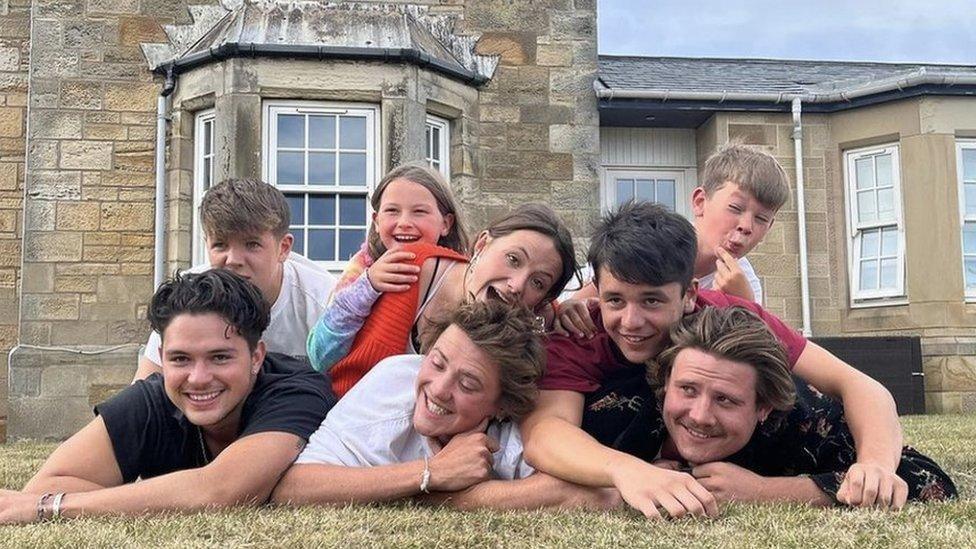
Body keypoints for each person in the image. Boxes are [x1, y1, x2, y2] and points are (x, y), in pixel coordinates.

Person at [519, 201, 906, 519]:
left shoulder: (729, 322)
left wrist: (875, 466)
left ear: (689, 296)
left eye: (652, 300)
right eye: (615, 300)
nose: (631, 322)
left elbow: (858, 384)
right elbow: (545, 433)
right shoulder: (582, 334)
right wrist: (628, 471)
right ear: (596, 291)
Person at [0, 269, 335, 523]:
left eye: (220, 357)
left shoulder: (297, 390)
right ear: (162, 356)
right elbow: (48, 483)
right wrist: (161, 498)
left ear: (257, 357)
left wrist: (54, 507)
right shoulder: (152, 400)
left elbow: (223, 490)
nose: (198, 378)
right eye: (180, 359)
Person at [273, 300, 619, 511]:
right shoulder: (392, 380)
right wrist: (431, 474)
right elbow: (294, 487)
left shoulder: (511, 435)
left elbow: (595, 496)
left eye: (467, 384)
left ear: (500, 406)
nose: (438, 389)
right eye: (437, 363)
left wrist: (448, 498)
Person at [608, 306, 956, 507]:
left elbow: (930, 483)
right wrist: (642, 481)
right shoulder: (626, 408)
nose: (699, 415)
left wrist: (765, 492)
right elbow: (552, 483)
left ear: (764, 408)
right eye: (687, 389)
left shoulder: (805, 419)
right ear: (666, 382)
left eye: (725, 399)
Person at [309, 203, 578, 397]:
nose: (517, 285)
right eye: (513, 259)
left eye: (538, 282)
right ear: (483, 244)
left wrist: (569, 307)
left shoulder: (530, 320)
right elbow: (324, 359)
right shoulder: (411, 268)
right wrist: (366, 285)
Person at [554, 143, 789, 337]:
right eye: (735, 208)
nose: (746, 226)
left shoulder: (746, 283)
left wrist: (745, 306)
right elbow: (574, 307)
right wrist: (571, 308)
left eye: (762, 218)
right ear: (699, 202)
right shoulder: (652, 242)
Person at [133, 178, 337, 381]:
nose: (233, 260)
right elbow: (143, 391)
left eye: (252, 244)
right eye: (220, 245)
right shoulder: (186, 299)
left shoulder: (326, 301)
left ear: (283, 248)